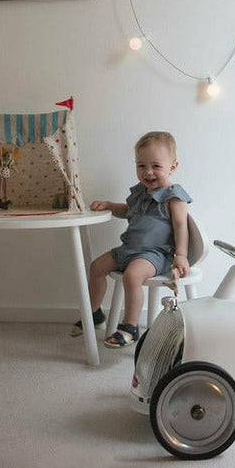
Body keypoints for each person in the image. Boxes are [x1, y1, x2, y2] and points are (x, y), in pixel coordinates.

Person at [71, 131, 191, 348]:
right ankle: (95, 313)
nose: (148, 172)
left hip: (154, 254)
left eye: (156, 166)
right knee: (96, 267)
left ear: (173, 166)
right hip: (128, 249)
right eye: (141, 165)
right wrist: (109, 205)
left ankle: (130, 326)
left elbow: (181, 226)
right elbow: (127, 210)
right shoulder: (141, 193)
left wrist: (181, 255)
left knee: (132, 276)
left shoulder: (174, 197)